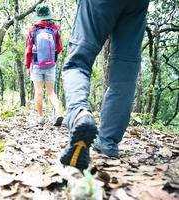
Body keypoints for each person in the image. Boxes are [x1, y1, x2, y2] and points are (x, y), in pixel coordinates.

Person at [60, 0, 150, 170]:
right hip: (137, 4)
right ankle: (108, 141)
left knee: (78, 62)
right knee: (124, 75)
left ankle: (79, 114)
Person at [25, 4, 64, 126]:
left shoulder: (33, 30)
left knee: (38, 92)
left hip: (36, 64)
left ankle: (41, 118)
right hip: (51, 65)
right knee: (51, 92)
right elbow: (59, 48)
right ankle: (58, 112)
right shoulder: (55, 29)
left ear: (38, 16)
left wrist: (27, 66)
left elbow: (28, 50)